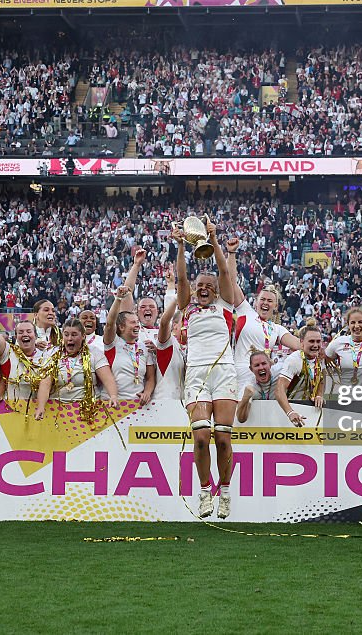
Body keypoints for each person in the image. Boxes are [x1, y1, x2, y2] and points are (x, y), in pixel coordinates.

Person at [174, 217, 238, 519]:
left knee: (223, 438)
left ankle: (224, 491)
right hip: (197, 374)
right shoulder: (187, 307)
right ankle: (203, 491)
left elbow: (224, 270)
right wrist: (180, 246)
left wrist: (212, 237)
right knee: (201, 437)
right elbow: (182, 279)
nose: (202, 289)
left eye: (207, 286)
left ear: (215, 290)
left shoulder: (226, 304)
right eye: (200, 286)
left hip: (224, 371)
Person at [227, 237, 300, 388]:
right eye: (263, 299)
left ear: (275, 307)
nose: (265, 303)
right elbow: (231, 283)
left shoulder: (278, 329)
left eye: (270, 301)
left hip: (264, 378)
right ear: (256, 302)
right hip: (239, 374)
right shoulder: (245, 311)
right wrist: (232, 253)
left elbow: (299, 345)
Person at [34, 318, 119, 422]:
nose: (69, 338)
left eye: (74, 335)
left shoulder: (94, 353)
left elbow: (108, 379)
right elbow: (45, 383)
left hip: (88, 411)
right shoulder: (52, 354)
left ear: (83, 336)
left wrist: (113, 396)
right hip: (57, 410)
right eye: (66, 334)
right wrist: (41, 406)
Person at [0, 295, 53, 413]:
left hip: (37, 413)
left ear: (36, 336)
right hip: (11, 411)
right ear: (16, 337)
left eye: (29, 331)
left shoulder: (46, 358)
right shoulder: (8, 352)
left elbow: (47, 385)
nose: (25, 334)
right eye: (21, 332)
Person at [102, 285, 156, 405]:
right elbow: (110, 323)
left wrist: (147, 392)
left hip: (137, 405)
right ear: (121, 327)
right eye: (132, 322)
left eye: (137, 322)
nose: (137, 325)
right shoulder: (113, 344)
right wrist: (118, 299)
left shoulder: (144, 348)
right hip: (113, 403)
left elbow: (151, 378)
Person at [276, 319, 330, 427]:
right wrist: (290, 412)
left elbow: (321, 379)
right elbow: (279, 390)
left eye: (318, 341)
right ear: (301, 342)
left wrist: (319, 394)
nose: (315, 345)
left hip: (309, 411)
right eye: (311, 341)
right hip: (290, 412)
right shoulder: (294, 360)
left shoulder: (320, 358)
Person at [151, 266, 185, 407]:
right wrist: (175, 292)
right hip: (164, 403)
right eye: (186, 322)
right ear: (175, 325)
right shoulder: (168, 343)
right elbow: (165, 320)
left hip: (183, 404)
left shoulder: (190, 347)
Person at [236, 350, 284, 423]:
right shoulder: (249, 386)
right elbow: (241, 419)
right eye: (257, 365)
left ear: (270, 364)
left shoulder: (281, 373)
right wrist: (245, 398)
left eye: (264, 363)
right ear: (251, 369)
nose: (261, 368)